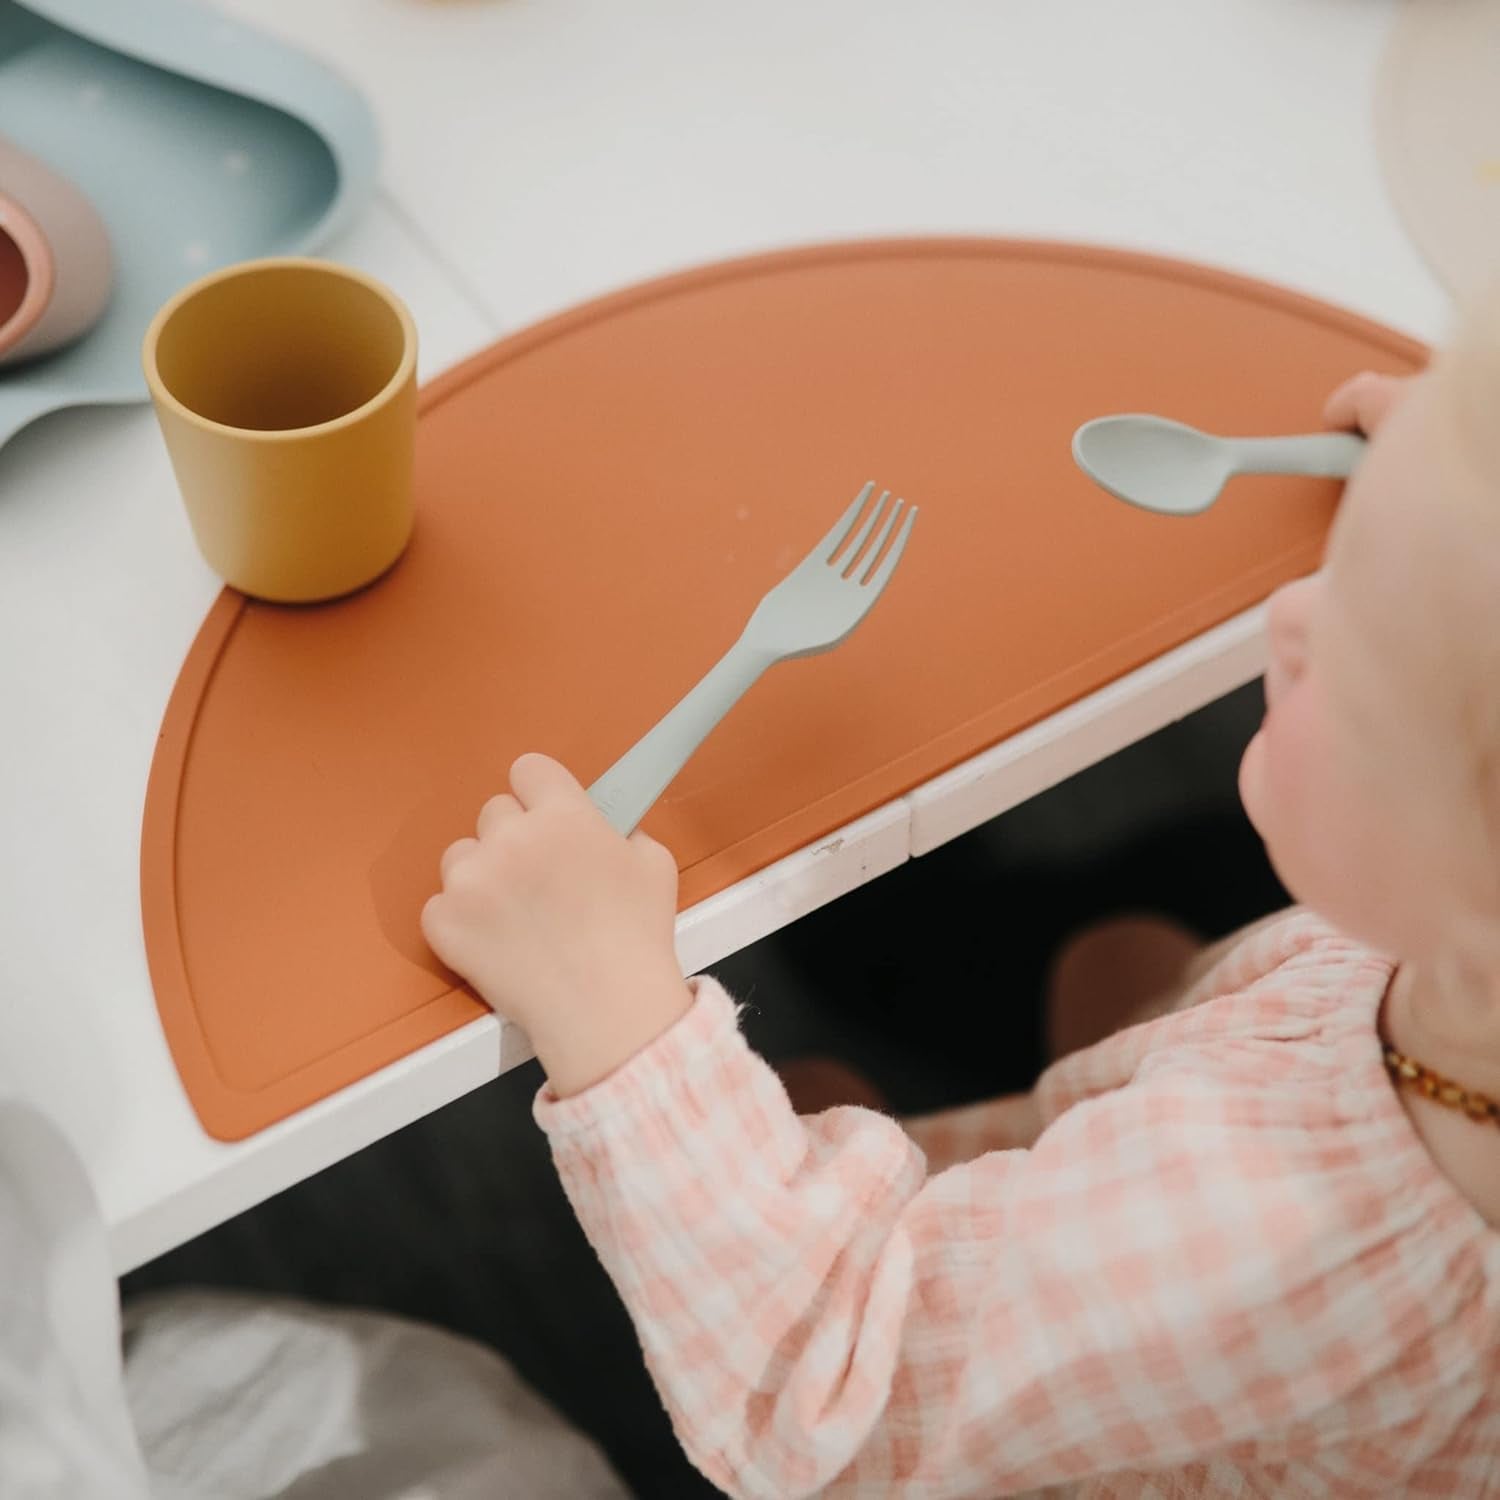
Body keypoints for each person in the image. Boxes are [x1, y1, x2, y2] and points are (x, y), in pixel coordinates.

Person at [420, 287, 1500, 1496]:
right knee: (1119, 957)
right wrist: (1455, 507)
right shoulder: (1467, 1000)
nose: (1294, 615)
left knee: (817, 1085)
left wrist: (610, 1011)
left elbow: (820, 1393)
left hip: (1035, 1403)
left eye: (1353, 650)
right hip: (1246, 1100)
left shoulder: (1270, 1235)